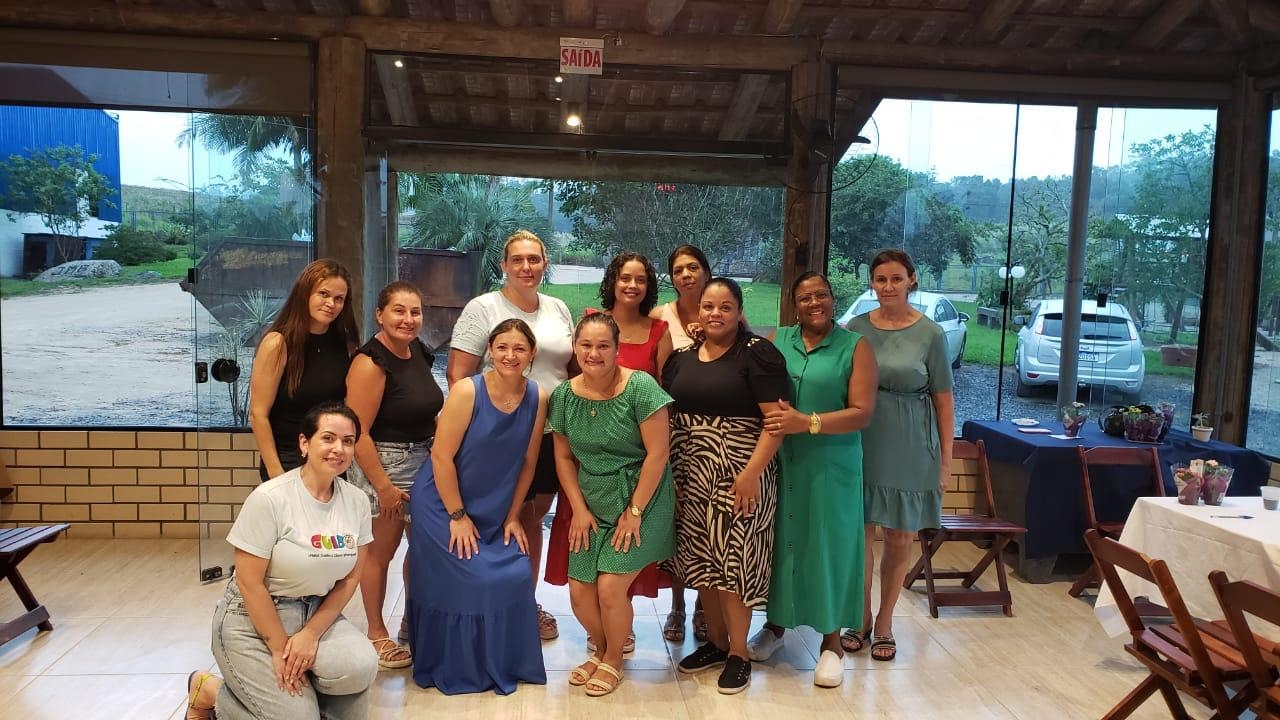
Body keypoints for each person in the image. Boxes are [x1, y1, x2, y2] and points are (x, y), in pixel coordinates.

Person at [184, 402, 378, 720]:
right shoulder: (270, 498)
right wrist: (278, 648)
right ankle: (210, 691)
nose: (339, 449)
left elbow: (350, 579)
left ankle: (299, 703)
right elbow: (249, 582)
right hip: (252, 617)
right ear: (305, 443)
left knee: (360, 667)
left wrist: (310, 634)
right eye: (328, 438)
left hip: (315, 610)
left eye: (348, 441)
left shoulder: (356, 501)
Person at [745, 272, 878, 688]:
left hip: (831, 465)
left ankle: (832, 642)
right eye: (805, 297)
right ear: (794, 304)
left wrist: (808, 422)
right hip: (783, 462)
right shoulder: (778, 340)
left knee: (828, 547)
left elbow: (862, 412)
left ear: (833, 299)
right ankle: (776, 625)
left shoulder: (855, 347)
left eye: (821, 295)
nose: (814, 303)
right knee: (781, 543)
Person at [406, 319, 549, 695]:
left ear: (532, 353)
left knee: (516, 573)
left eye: (519, 349)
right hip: (443, 504)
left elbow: (529, 463)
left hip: (494, 508)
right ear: (489, 350)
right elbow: (441, 457)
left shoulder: (538, 396)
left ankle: (506, 661)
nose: (510, 355)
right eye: (502, 347)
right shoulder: (467, 392)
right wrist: (457, 516)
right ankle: (458, 664)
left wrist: (513, 516)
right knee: (478, 579)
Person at [661, 277, 790, 695]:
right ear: (698, 311)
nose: (715, 314)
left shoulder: (757, 354)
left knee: (735, 565)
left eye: (725, 307)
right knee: (703, 561)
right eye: (708, 306)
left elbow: (775, 423)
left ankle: (738, 653)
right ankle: (716, 644)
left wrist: (751, 474)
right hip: (690, 475)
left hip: (740, 475)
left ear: (738, 313)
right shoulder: (681, 358)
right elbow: (668, 418)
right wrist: (670, 475)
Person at [447, 229, 574, 642]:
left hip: (550, 431)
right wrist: (480, 432)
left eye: (534, 259)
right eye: (517, 259)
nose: (526, 267)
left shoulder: (557, 308)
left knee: (531, 518)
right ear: (503, 265)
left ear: (545, 263)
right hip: (498, 434)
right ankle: (481, 601)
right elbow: (458, 374)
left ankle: (523, 602)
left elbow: (568, 369)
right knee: (493, 516)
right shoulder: (483, 307)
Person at [544, 252, 672, 653]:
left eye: (603, 346)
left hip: (642, 498)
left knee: (612, 587)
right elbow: (563, 457)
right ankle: (603, 650)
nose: (594, 353)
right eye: (586, 345)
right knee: (580, 589)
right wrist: (578, 510)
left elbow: (658, 454)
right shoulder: (564, 396)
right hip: (591, 500)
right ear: (574, 348)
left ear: (618, 349)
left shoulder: (641, 388)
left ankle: (613, 659)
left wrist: (634, 512)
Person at [846, 249, 954, 662]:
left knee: (898, 536)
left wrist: (945, 463)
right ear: (871, 283)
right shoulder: (856, 328)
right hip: (863, 438)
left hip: (912, 443)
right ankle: (859, 617)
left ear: (912, 280)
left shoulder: (931, 334)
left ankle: (886, 621)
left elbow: (944, 402)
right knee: (860, 535)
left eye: (896, 278)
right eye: (880, 279)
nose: (888, 286)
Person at [344, 281, 444, 670]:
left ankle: (411, 621)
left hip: (424, 459)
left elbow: (423, 408)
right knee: (380, 553)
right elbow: (358, 433)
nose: (408, 319)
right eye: (399, 311)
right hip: (384, 463)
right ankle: (376, 633)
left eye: (415, 312)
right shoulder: (370, 363)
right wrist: (383, 486)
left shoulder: (417, 351)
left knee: (422, 549)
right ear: (379, 315)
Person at [647, 244, 711, 643]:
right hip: (673, 426)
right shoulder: (661, 316)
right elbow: (655, 376)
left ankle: (704, 606)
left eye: (693, 267)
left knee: (706, 520)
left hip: (714, 429)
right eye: (678, 270)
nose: (686, 275)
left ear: (706, 271)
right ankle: (677, 605)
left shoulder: (722, 309)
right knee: (676, 518)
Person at [250, 259, 360, 481]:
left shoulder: (345, 345)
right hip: (287, 458)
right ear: (305, 293)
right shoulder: (277, 343)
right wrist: (276, 473)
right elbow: (258, 414)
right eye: (323, 294)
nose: (331, 303)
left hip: (331, 458)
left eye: (339, 299)